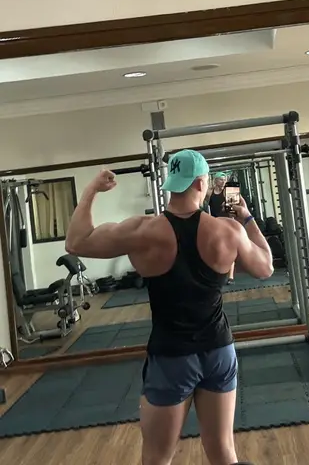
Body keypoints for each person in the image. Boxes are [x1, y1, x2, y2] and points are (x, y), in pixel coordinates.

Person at [65, 149, 273, 465]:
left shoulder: (142, 231)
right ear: (201, 183)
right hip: (218, 352)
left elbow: (76, 242)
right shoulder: (228, 231)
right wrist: (246, 217)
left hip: (171, 357)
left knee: (157, 458)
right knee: (223, 452)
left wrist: (91, 189)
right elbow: (266, 267)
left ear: (171, 184)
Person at [206, 172, 236, 284]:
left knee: (230, 249)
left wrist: (228, 205)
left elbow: (234, 210)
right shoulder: (209, 192)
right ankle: (218, 274)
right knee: (217, 250)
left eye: (225, 180)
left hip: (228, 223)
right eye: (221, 179)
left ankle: (230, 277)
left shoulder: (230, 190)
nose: (223, 182)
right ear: (215, 181)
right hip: (216, 224)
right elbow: (201, 203)